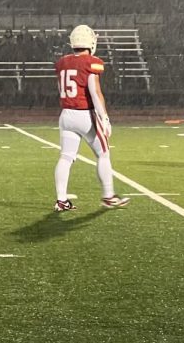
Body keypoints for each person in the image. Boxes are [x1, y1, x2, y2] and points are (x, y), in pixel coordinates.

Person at [53, 24, 128, 212]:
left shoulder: (63, 62)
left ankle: (61, 200)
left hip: (66, 114)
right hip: (85, 114)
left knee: (66, 157)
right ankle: (108, 196)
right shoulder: (91, 62)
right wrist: (105, 117)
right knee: (103, 154)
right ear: (90, 42)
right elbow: (95, 92)